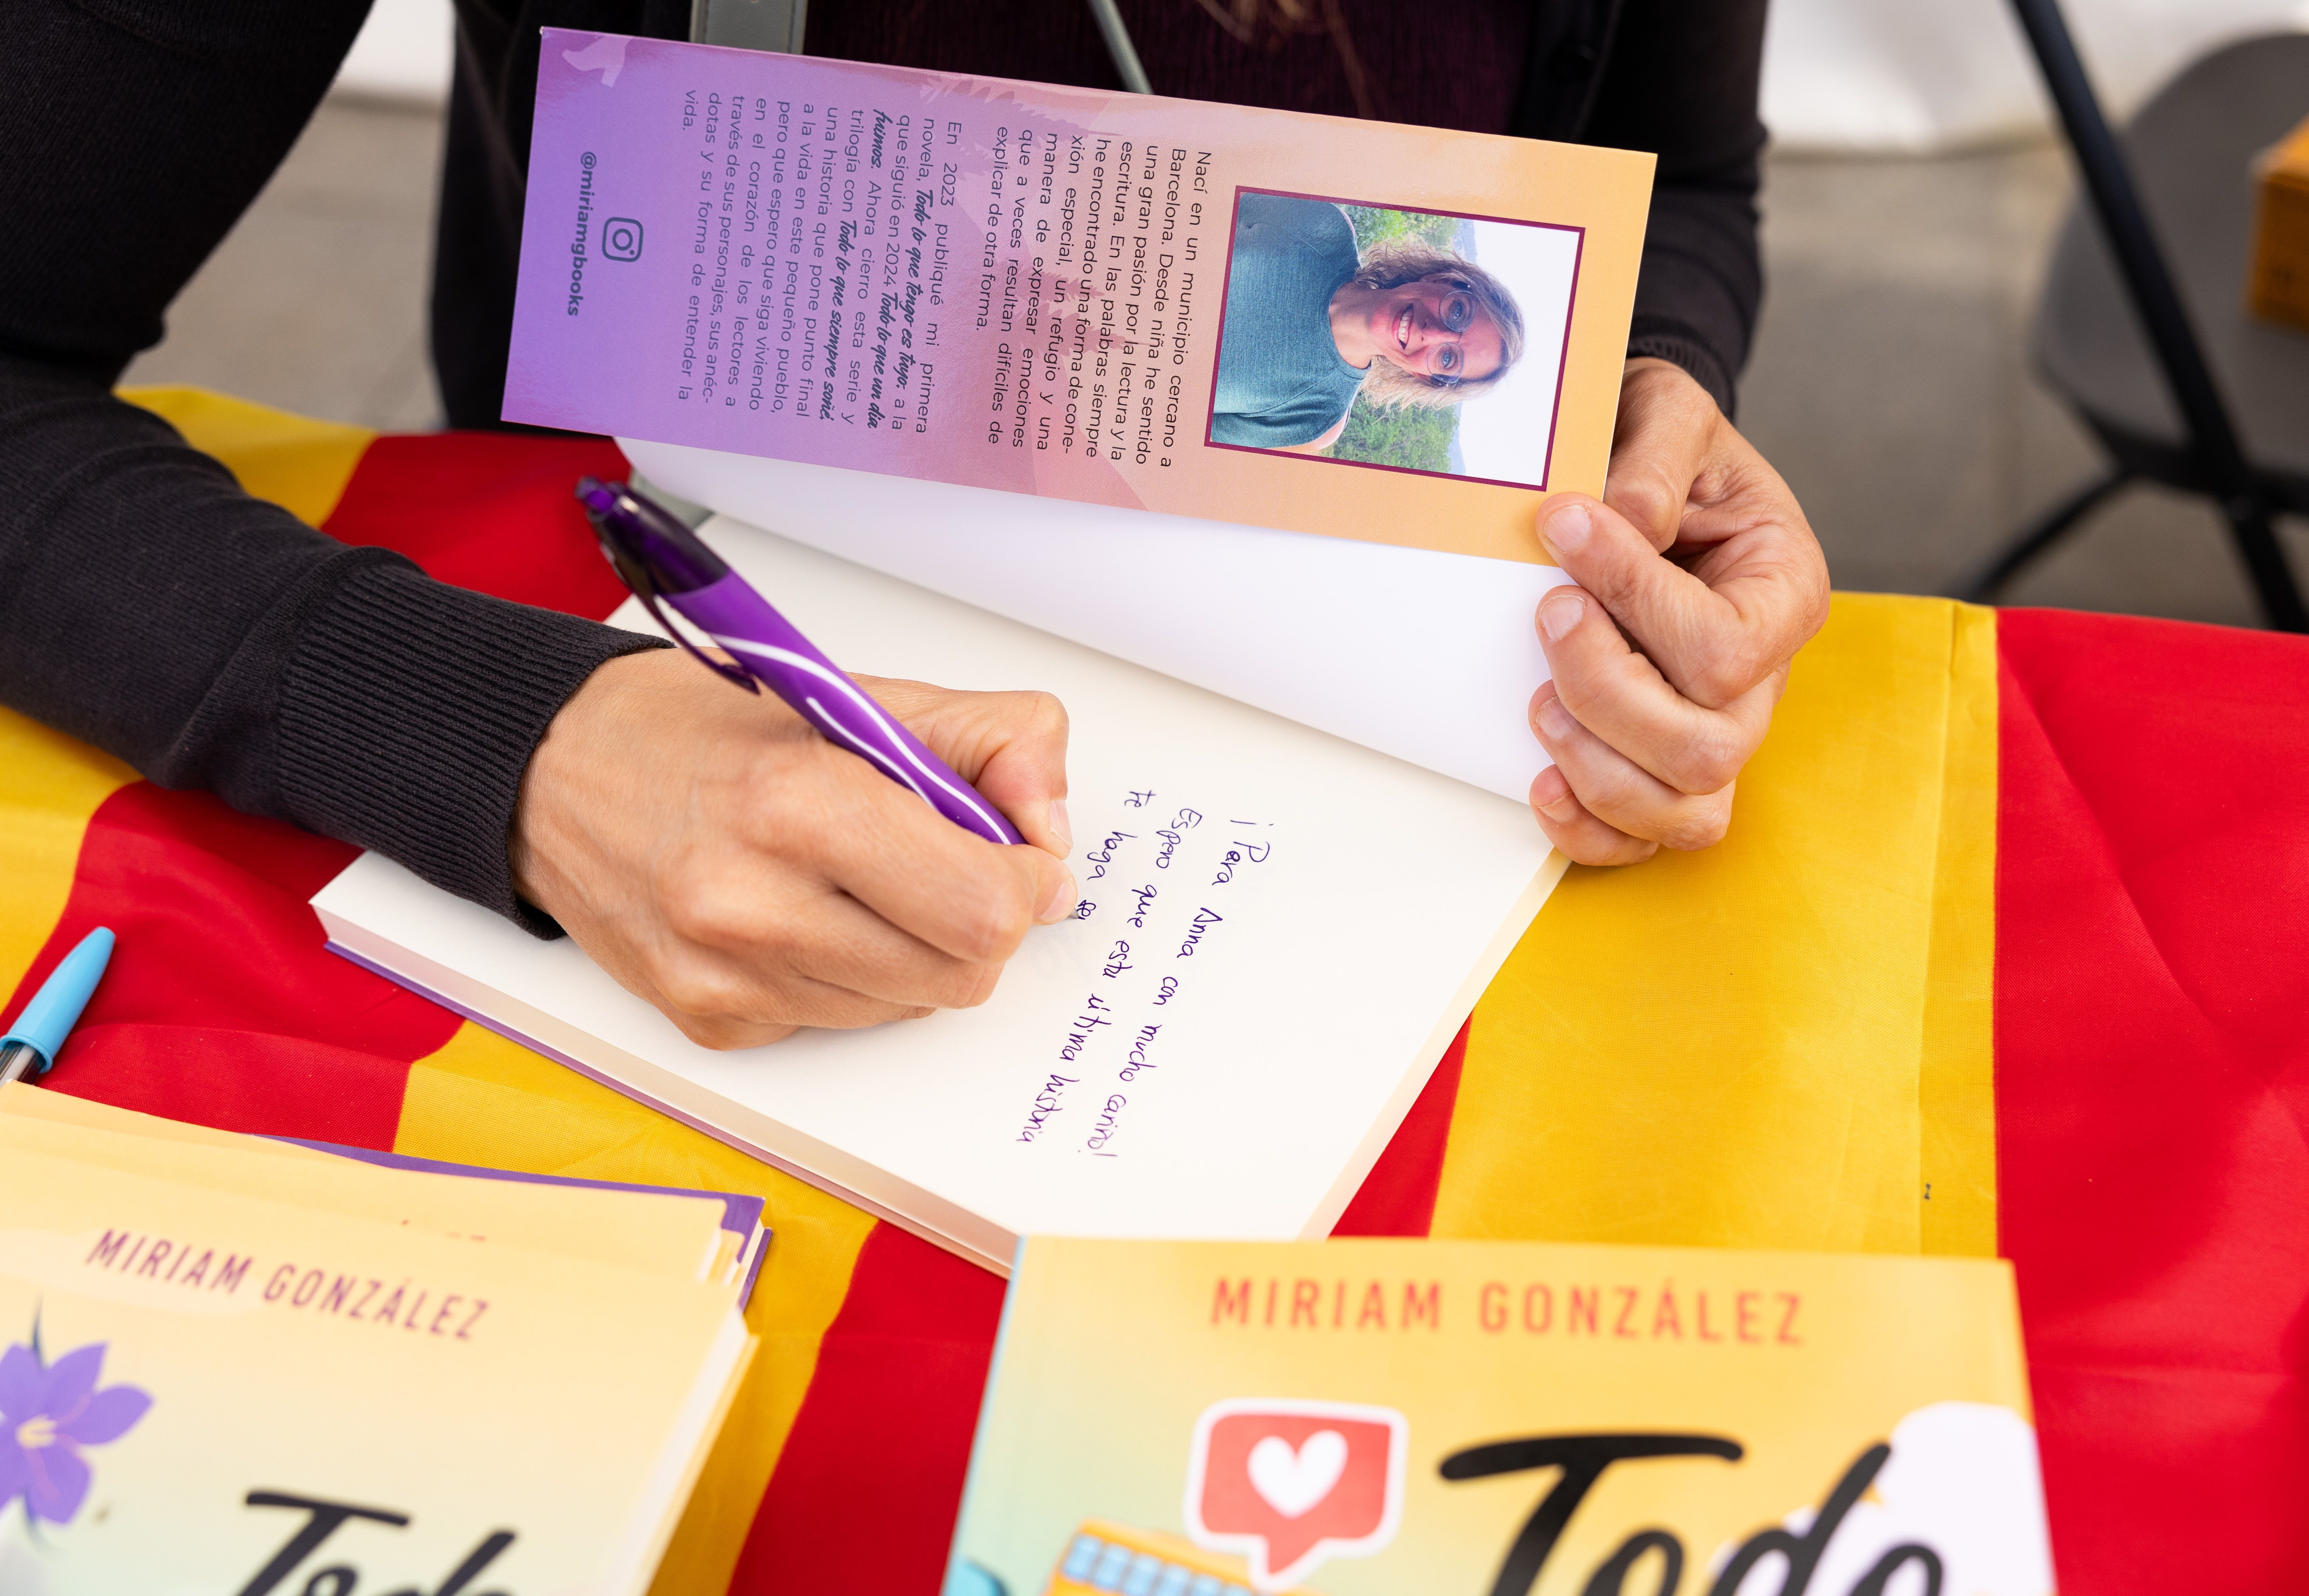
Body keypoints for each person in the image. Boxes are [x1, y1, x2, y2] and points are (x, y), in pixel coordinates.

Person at [0, 0, 1829, 1049]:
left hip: (1381, 825)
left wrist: (1639, 396)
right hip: (647, 692)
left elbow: (1696, 184)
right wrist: (516, 735)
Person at [1208, 192, 1526, 454]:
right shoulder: (1323, 226)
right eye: (1458, 312)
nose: (1432, 333)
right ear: (1441, 279)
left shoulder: (1314, 420)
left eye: (1448, 358)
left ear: (1423, 376)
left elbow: (1176, 431)